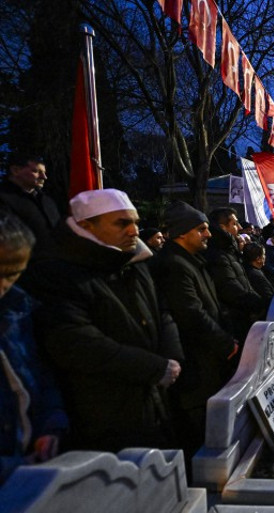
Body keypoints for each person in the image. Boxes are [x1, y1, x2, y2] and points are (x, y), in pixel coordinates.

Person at [26, 189, 183, 452]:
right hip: (100, 415)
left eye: (135, 222)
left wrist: (172, 357)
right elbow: (76, 342)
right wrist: (153, 367)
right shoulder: (55, 272)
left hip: (154, 400)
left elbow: (162, 310)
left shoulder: (134, 261)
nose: (134, 231)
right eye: (122, 223)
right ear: (86, 225)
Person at [155, 201, 239, 460]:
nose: (209, 234)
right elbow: (192, 314)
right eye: (202, 229)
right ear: (182, 232)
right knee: (201, 440)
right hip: (194, 366)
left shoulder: (190, 260)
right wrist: (226, 343)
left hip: (207, 360)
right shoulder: (174, 265)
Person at [0, 211, 68, 484]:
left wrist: (51, 425)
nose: (2, 286)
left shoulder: (17, 308)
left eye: (12, 274)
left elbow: (38, 373)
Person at [205, 208, 267, 341]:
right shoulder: (218, 255)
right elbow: (231, 289)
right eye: (234, 223)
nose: (239, 227)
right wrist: (260, 304)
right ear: (223, 227)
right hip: (235, 325)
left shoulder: (229, 252)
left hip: (245, 319)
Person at [0, 153, 61, 265]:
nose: (44, 177)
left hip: (55, 267)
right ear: (16, 170)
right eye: (37, 171)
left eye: (44, 173)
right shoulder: (3, 199)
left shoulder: (48, 201)